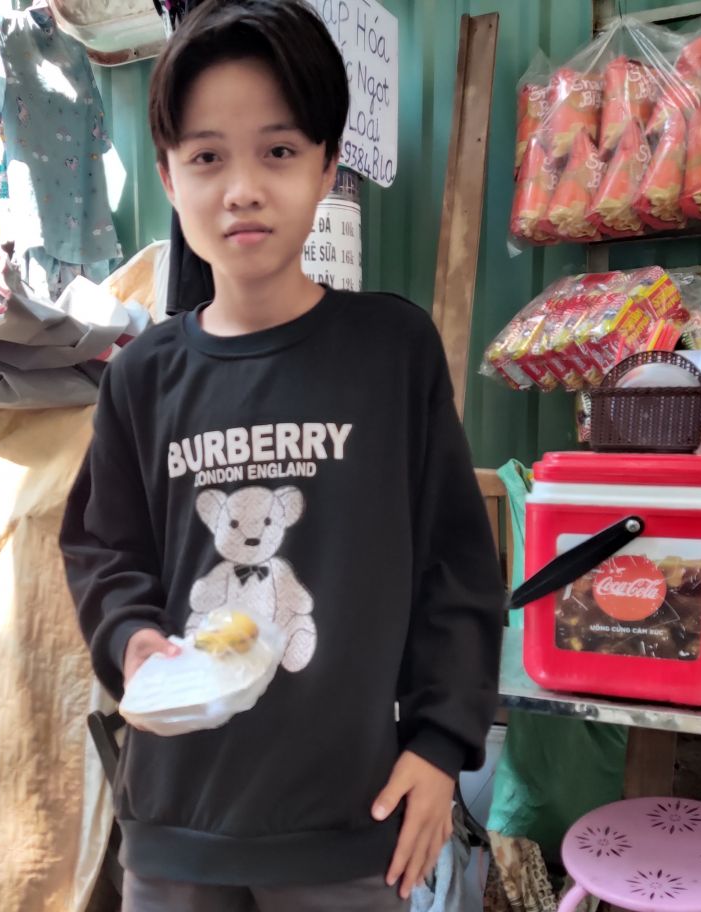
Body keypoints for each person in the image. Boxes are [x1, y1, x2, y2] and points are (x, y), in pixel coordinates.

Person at [59, 1, 504, 909]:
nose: (242, 189)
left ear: (327, 166)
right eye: (207, 157)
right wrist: (133, 639)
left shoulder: (391, 354)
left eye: (279, 150)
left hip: (348, 824)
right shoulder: (141, 377)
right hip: (177, 826)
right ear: (168, 175)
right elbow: (104, 551)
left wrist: (438, 746)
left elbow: (456, 568)